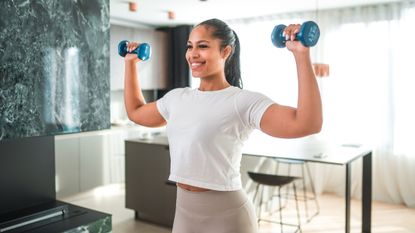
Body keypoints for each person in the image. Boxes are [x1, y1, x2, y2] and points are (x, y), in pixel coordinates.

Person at [123, 18, 322, 233]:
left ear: (226, 51)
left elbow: (307, 123)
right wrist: (130, 62)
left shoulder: (242, 101)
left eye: (203, 46)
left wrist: (301, 55)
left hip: (228, 217)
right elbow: (136, 112)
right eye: (190, 46)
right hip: (184, 215)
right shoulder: (176, 98)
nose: (193, 54)